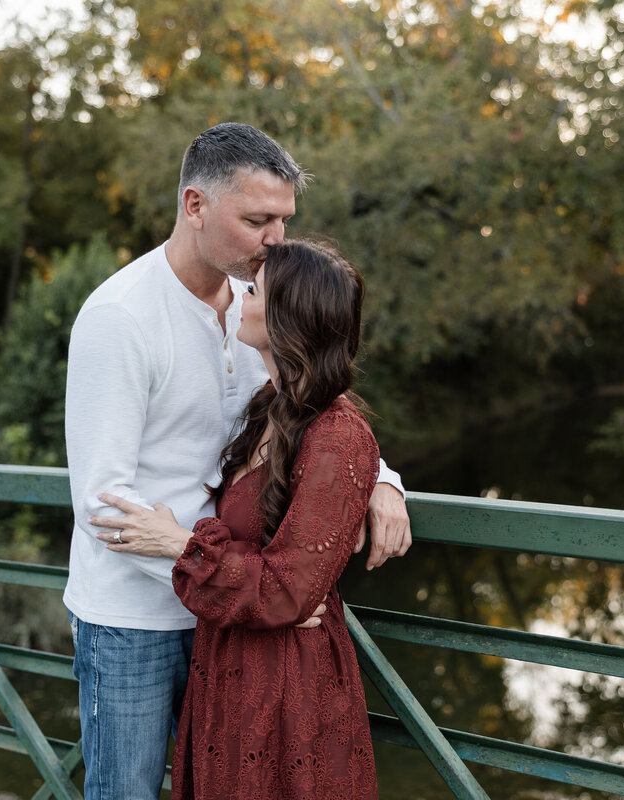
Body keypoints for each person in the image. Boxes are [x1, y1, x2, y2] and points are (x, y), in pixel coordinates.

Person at [63, 122, 410, 800]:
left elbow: (311, 409)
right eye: (257, 219)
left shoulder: (259, 308)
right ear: (195, 206)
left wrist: (382, 480)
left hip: (228, 614)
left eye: (283, 219)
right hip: (136, 617)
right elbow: (103, 499)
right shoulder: (121, 317)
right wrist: (232, 581)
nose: (276, 239)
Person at [96, 239, 380, 799]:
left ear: (285, 319)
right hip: (229, 658)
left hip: (288, 682)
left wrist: (180, 544)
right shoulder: (267, 409)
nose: (239, 300)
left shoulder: (338, 436)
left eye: (255, 291)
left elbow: (289, 592)